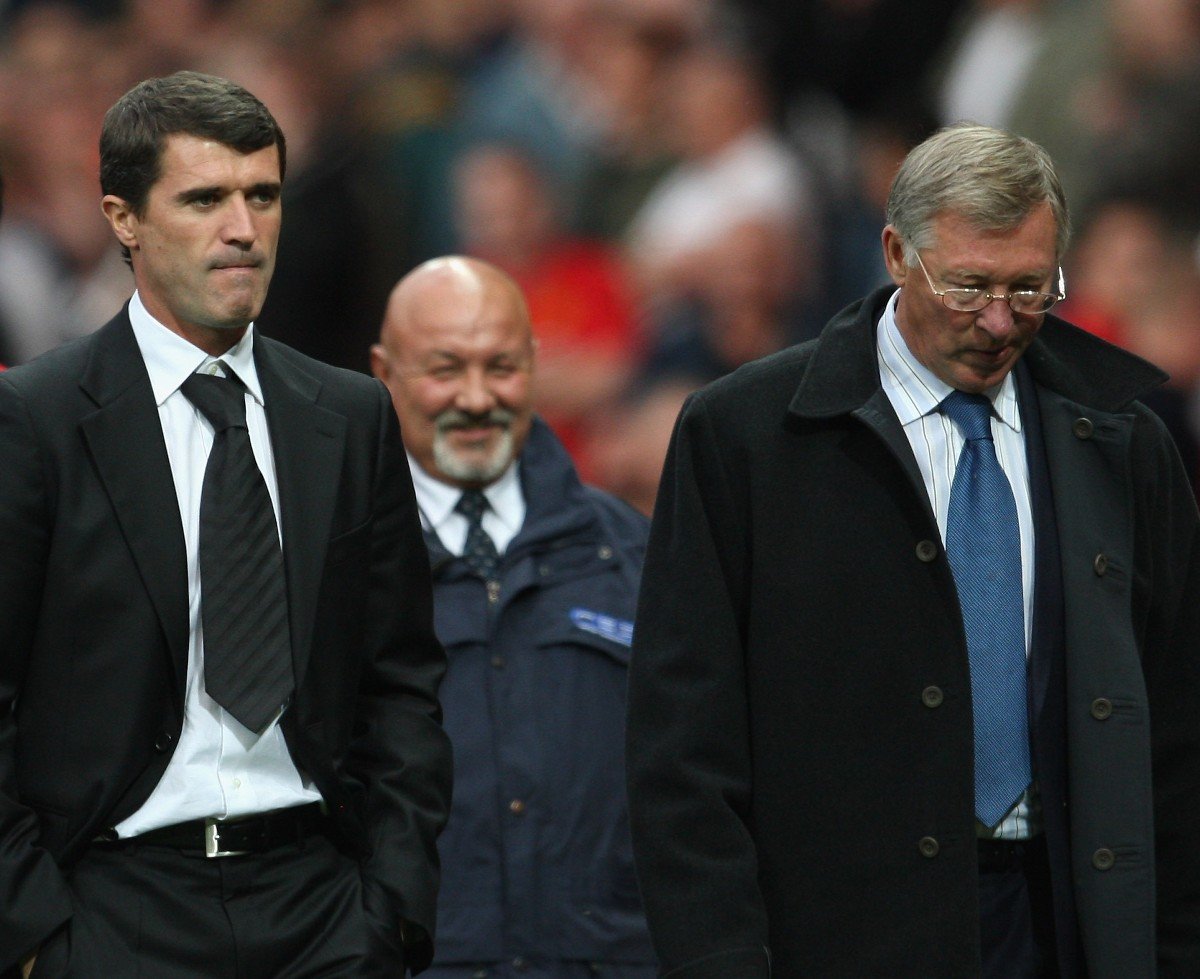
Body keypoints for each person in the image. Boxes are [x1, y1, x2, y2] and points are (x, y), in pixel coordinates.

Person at [626, 123, 1200, 977]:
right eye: (969, 287)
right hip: (838, 938)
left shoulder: (1125, 443)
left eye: (1032, 289)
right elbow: (685, 751)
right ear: (897, 254)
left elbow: (1181, 735)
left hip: (1066, 928)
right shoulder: (745, 437)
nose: (1002, 322)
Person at [0, 71, 452, 978]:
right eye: (205, 197)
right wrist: (38, 937)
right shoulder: (35, 420)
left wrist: (391, 907)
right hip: (114, 910)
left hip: (324, 910)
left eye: (263, 195)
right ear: (122, 218)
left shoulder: (353, 414)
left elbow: (399, 679)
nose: (243, 228)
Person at [370, 256, 657, 978]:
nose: (475, 398)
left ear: (534, 365)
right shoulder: (338, 565)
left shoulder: (632, 554)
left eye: (500, 366)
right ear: (383, 374)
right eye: (445, 368)